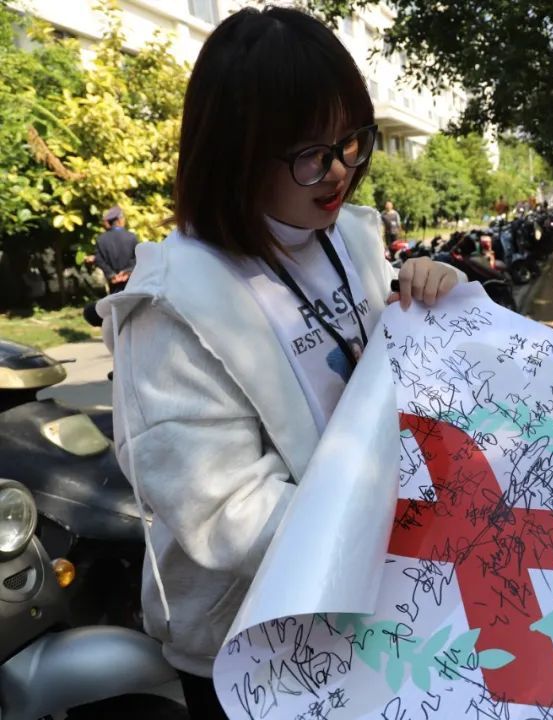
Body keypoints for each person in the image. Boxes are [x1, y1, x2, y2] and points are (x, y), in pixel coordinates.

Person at [97, 8, 463, 717]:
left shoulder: (348, 237)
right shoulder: (171, 304)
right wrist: (400, 528)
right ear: (235, 155)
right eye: (310, 153)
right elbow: (226, 511)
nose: (341, 170)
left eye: (352, 141)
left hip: (378, 605)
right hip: (255, 645)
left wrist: (433, 298)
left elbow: (387, 376)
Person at [94, 206, 139, 292]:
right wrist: (127, 272)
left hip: (114, 284)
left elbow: (99, 260)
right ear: (119, 220)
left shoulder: (101, 239)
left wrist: (111, 274)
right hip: (130, 283)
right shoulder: (131, 237)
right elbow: (138, 257)